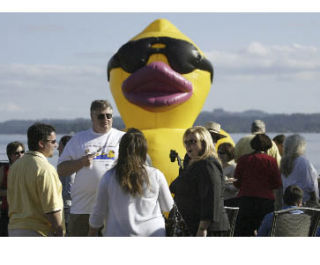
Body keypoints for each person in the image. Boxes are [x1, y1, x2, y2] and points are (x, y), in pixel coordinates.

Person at [57, 99, 125, 236]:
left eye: (109, 115)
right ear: (92, 117)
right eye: (100, 116)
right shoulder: (79, 139)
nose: (105, 119)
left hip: (113, 209)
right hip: (83, 209)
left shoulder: (122, 138)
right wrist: (80, 162)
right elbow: (61, 169)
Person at [88, 130, 173, 236]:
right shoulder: (156, 175)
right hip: (153, 233)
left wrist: (92, 231)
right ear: (144, 151)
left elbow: (98, 212)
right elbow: (168, 207)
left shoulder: (108, 177)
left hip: (118, 233)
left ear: (121, 150)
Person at [170, 126, 230, 236]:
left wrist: (203, 228)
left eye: (193, 141)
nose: (188, 145)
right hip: (193, 225)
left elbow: (211, 197)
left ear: (204, 142)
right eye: (186, 142)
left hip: (208, 229)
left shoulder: (208, 163)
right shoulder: (193, 163)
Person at [7, 123, 64, 236]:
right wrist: (60, 232)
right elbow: (52, 208)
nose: (56, 145)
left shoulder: (15, 167)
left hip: (14, 229)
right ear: (41, 143)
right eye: (52, 142)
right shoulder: (46, 169)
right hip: (38, 231)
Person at [233, 134, 282, 236]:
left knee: (243, 232)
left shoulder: (243, 160)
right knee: (264, 232)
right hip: (265, 202)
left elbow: (236, 182)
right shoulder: (271, 161)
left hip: (245, 201)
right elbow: (277, 183)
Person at [280, 134, 319, 206]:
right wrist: (316, 202)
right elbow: (311, 185)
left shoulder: (283, 162)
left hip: (287, 203)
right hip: (303, 202)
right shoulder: (303, 161)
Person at [0, 141, 25, 236]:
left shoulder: (27, 169)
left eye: (22, 152)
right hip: (8, 211)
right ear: (10, 155)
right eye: (17, 153)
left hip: (24, 211)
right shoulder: (4, 170)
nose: (20, 155)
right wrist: (12, 192)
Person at [57, 135, 74, 235]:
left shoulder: (68, 163)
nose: (58, 148)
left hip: (67, 207)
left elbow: (69, 189)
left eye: (60, 146)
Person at [217, 143, 239, 207]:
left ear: (229, 153)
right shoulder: (218, 166)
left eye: (222, 153)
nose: (219, 155)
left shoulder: (233, 167)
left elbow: (236, 187)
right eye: (218, 152)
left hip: (230, 200)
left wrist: (224, 185)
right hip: (219, 200)